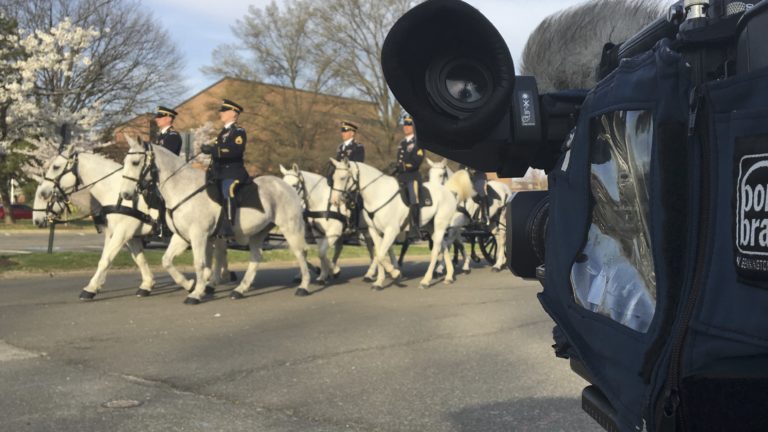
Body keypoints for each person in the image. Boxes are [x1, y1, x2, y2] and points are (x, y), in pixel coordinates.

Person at [200, 99, 249, 238]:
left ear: (233, 113)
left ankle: (228, 227)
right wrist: (208, 150)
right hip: (219, 172)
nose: (220, 113)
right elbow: (218, 149)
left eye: (224, 111)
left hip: (233, 172)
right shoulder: (222, 132)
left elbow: (236, 150)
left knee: (228, 189)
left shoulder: (238, 131)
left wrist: (214, 150)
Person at [395, 114, 424, 241]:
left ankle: (415, 227)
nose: (406, 127)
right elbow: (399, 161)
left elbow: (417, 161)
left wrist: (404, 166)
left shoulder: (418, 142)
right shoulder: (402, 143)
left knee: (413, 198)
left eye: (408, 125)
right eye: (405, 125)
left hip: (412, 177)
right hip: (401, 177)